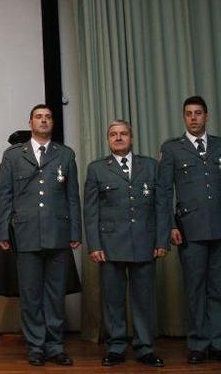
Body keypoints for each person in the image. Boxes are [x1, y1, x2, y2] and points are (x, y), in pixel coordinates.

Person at [157, 95, 221, 364]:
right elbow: (163, 192)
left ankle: (219, 344)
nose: (193, 118)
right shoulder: (172, 148)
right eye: (188, 113)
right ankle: (198, 343)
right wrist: (170, 225)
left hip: (220, 227)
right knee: (195, 288)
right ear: (183, 117)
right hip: (190, 229)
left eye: (198, 113)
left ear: (206, 116)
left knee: (220, 289)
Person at [0, 104, 81, 366]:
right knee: (31, 294)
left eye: (47, 117)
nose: (43, 121)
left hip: (57, 232)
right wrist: (2, 231)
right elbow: (4, 196)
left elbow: (72, 197)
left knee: (55, 294)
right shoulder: (13, 156)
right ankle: (35, 346)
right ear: (30, 122)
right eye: (38, 117)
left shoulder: (65, 155)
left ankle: (55, 345)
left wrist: (75, 230)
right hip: (25, 233)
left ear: (52, 123)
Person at [83, 120, 168, 368]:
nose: (118, 138)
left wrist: (162, 239)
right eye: (113, 134)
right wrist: (94, 245)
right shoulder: (97, 169)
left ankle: (145, 347)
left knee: (144, 299)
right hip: (110, 245)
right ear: (108, 139)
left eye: (123, 134)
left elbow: (161, 205)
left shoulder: (151, 166)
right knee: (113, 299)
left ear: (131, 137)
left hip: (144, 241)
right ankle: (116, 346)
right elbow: (91, 211)